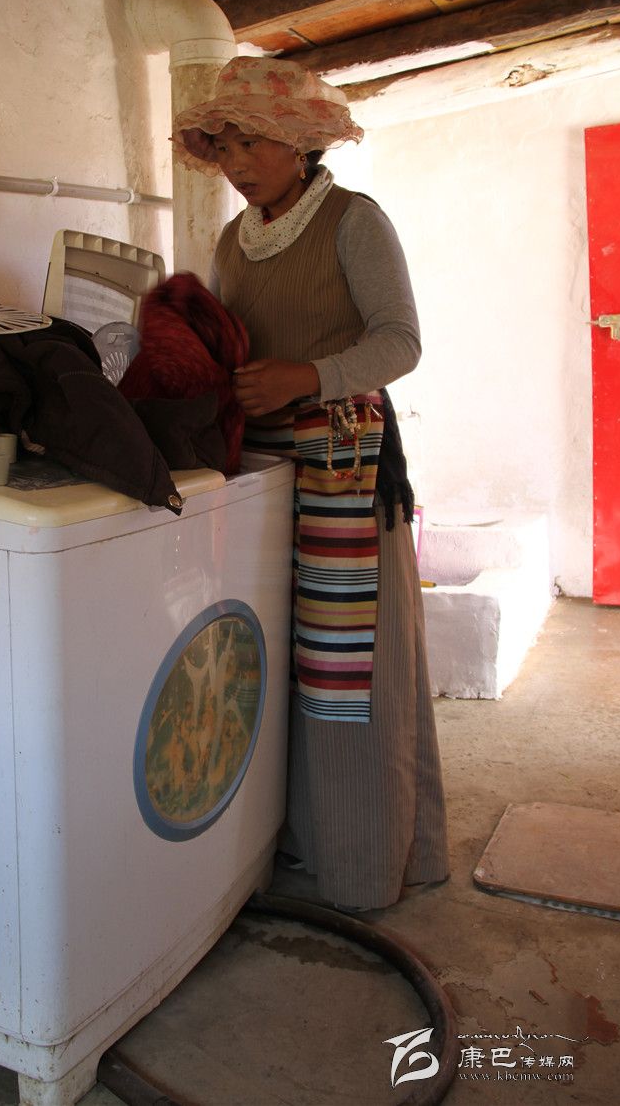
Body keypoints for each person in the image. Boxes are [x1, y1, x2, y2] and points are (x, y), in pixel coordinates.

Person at [171, 56, 448, 911]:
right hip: (263, 474)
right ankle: (287, 841)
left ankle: (365, 859)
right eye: (223, 146)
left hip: (345, 475)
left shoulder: (352, 221)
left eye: (250, 142)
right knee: (271, 656)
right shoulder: (232, 241)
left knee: (347, 671)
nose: (235, 162)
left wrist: (308, 376)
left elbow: (400, 340)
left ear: (299, 143)